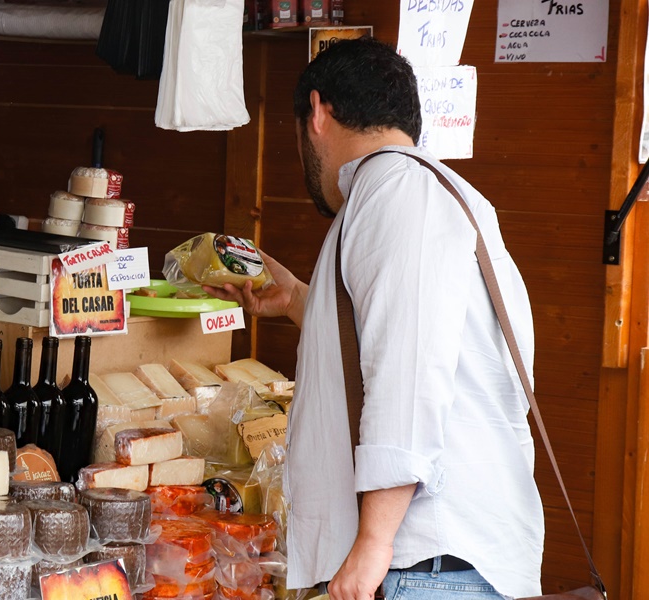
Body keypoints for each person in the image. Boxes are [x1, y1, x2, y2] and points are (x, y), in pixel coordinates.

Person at [206, 38, 544, 600]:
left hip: (429, 564)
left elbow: (407, 370)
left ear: (316, 111)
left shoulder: (397, 192)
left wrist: (374, 542)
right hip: (433, 563)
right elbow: (390, 331)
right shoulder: (417, 190)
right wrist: (294, 298)